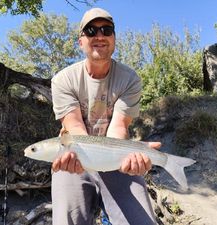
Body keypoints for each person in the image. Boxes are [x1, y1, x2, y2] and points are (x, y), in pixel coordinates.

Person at [51, 7, 161, 225]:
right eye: (91, 31)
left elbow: (119, 127)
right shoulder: (63, 80)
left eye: (106, 30)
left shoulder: (130, 80)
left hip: (116, 159)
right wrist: (81, 158)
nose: (99, 36)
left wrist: (128, 158)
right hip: (75, 160)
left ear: (114, 38)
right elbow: (75, 129)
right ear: (80, 41)